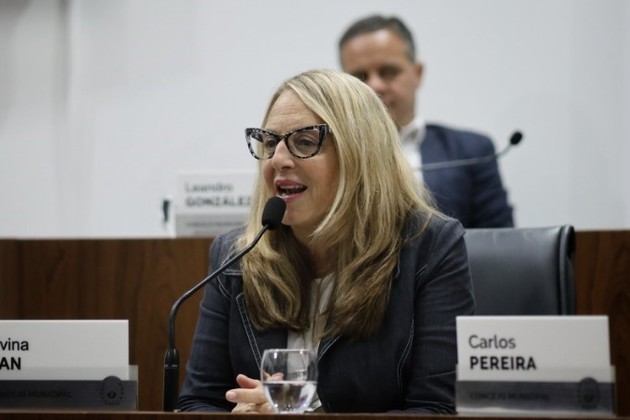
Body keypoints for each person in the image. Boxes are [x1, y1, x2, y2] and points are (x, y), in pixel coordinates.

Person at [177, 69, 475, 413]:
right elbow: (198, 402)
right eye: (270, 143)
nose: (278, 160)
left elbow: (438, 410)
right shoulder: (237, 256)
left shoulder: (430, 247)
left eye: (304, 142)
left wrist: (310, 417)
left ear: (361, 154)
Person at [338, 15, 514, 228]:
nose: (375, 86)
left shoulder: (471, 151)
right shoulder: (330, 156)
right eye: (360, 77)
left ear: (417, 73)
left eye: (389, 72)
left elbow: (499, 241)